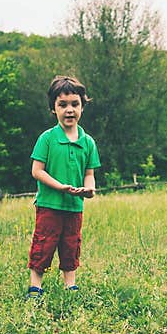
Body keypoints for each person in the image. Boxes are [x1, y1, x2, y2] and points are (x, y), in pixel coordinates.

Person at [25, 75, 101, 299]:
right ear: (53, 109)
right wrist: (60, 187)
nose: (70, 110)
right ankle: (35, 287)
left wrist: (89, 190)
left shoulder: (88, 142)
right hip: (49, 204)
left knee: (71, 245)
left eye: (75, 104)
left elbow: (89, 174)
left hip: (74, 207)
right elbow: (37, 171)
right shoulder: (47, 139)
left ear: (82, 107)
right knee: (44, 244)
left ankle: (70, 286)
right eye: (63, 105)